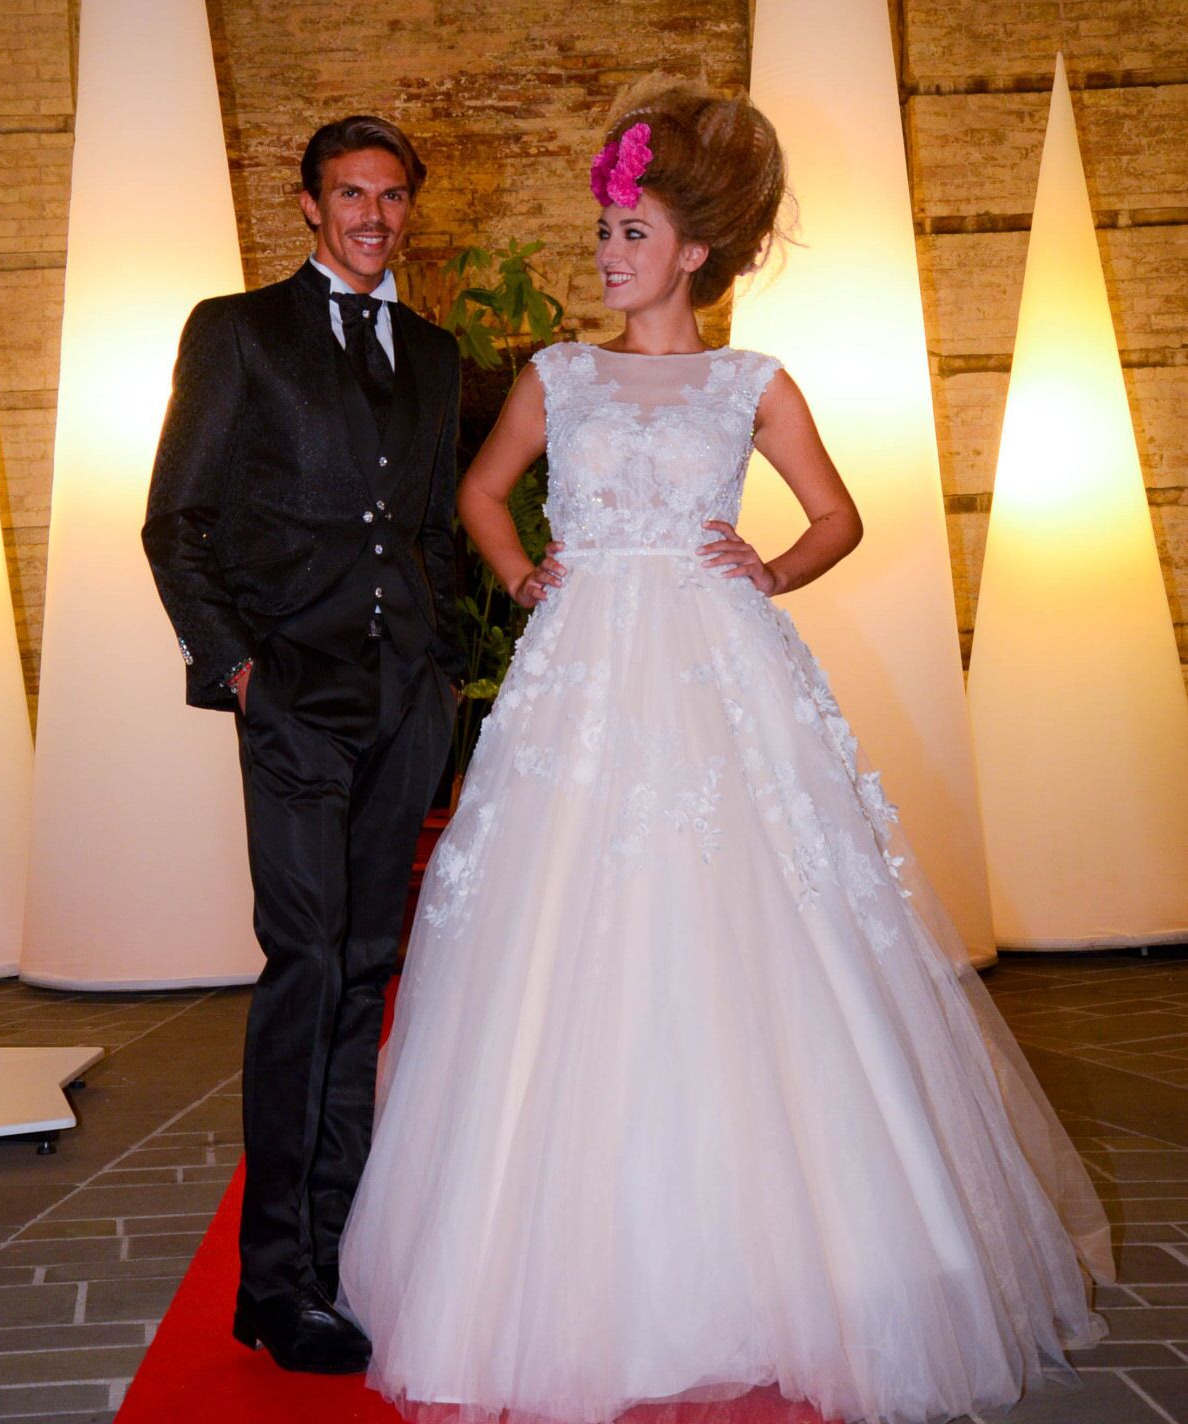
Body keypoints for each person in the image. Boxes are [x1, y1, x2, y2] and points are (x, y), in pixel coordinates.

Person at [336, 91, 1116, 1424]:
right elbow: (477, 489)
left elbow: (837, 514)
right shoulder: (557, 376)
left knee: (756, 929)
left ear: (692, 251)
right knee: (562, 930)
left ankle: (803, 1266)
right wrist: (522, 574)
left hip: (716, 672)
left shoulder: (753, 383)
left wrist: (771, 567)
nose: (606, 252)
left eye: (630, 232)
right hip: (583, 673)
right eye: (602, 230)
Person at [142, 114, 465, 1375]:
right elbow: (174, 522)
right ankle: (275, 1282)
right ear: (309, 205)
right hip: (291, 701)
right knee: (304, 966)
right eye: (351, 194)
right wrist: (240, 671)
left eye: (392, 196)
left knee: (366, 967)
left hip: (402, 704)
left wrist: (437, 669)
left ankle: (341, 1257)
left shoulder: (434, 353)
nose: (373, 216)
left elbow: (430, 529)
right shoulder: (236, 332)